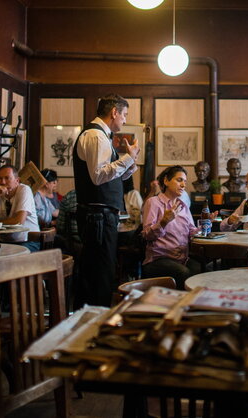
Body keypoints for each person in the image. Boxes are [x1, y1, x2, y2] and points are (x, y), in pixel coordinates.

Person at [73, 93, 139, 307]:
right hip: (97, 217)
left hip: (100, 216)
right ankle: (93, 324)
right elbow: (99, 175)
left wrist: (129, 164)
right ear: (114, 112)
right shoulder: (96, 136)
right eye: (125, 114)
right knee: (99, 274)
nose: (125, 120)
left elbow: (108, 175)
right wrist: (127, 158)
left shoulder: (102, 136)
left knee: (102, 271)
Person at [140, 166, 203, 288]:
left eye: (185, 181)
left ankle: (192, 304)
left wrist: (205, 225)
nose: (183, 185)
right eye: (179, 180)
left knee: (201, 270)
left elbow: (192, 232)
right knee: (183, 272)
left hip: (182, 258)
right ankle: (178, 304)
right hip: (158, 259)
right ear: (166, 181)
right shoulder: (153, 202)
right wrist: (163, 222)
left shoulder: (183, 205)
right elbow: (146, 235)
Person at [0, 165, 40, 251]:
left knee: (5, 257)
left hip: (27, 241)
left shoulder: (24, 190)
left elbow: (18, 221)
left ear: (17, 181)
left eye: (7, 178)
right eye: (0, 178)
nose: (2, 182)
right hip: (4, 243)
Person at [118, 177, 144, 245]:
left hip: (131, 228)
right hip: (117, 228)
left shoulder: (133, 194)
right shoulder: (115, 194)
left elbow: (140, 217)